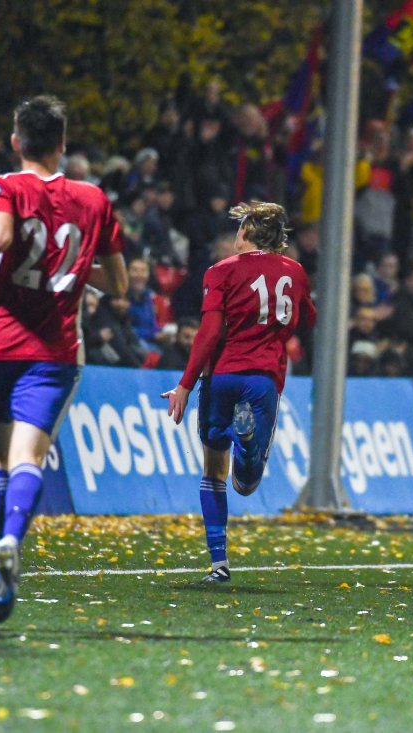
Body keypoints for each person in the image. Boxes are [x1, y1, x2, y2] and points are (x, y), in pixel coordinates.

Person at [0, 96, 128, 623]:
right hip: (55, 350)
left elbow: (0, 235)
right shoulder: (94, 200)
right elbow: (118, 284)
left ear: (15, 142)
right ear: (62, 145)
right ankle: (12, 538)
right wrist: (71, 267)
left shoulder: (3, 185)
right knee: (28, 457)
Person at [162, 201, 316, 584]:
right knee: (246, 483)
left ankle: (219, 564)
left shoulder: (220, 271)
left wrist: (184, 385)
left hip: (221, 377)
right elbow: (308, 319)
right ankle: (246, 446)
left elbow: (209, 333)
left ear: (246, 232)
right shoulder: (294, 272)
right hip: (263, 378)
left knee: (213, 471)